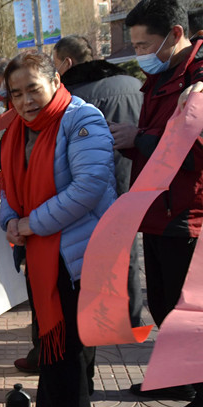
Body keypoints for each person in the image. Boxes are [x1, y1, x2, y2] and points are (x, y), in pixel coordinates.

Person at [0, 52, 116, 407]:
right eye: (15, 93)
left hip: (77, 258)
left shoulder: (81, 120)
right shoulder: (18, 132)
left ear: (54, 80)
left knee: (60, 359)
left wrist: (30, 223)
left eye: (33, 89)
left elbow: (88, 186)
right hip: (43, 257)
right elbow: (9, 185)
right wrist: (10, 219)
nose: (25, 101)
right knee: (69, 354)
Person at [109, 0, 203, 407]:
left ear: (175, 35)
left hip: (188, 210)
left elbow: (194, 149)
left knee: (189, 309)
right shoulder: (163, 76)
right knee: (164, 302)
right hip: (158, 208)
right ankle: (179, 377)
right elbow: (159, 138)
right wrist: (132, 139)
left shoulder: (197, 80)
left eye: (145, 43)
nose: (139, 52)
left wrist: (139, 136)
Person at [53, 34, 145, 331]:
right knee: (128, 248)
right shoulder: (134, 83)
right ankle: (131, 316)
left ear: (67, 62)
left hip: (94, 182)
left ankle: (101, 317)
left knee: (92, 251)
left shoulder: (75, 93)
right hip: (136, 175)